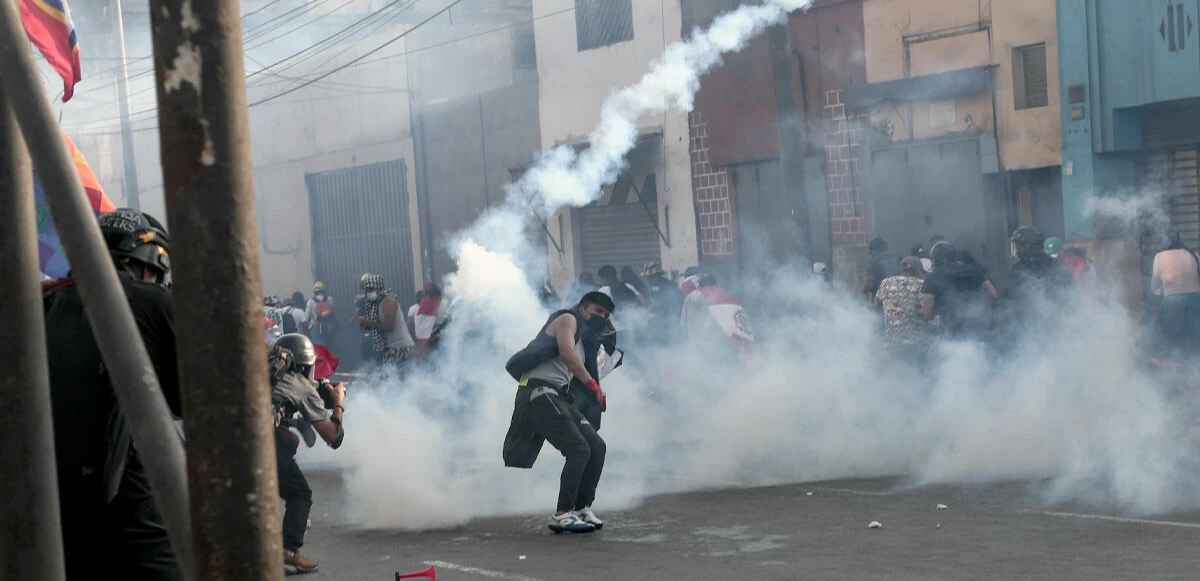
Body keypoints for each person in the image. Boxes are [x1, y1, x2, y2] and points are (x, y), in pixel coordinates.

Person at [44, 208, 183, 579]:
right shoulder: (150, 301)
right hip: (131, 496)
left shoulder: (46, 303)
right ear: (149, 264)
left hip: (52, 496)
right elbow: (182, 401)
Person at [502, 292, 614, 533]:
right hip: (539, 392)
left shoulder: (585, 340)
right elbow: (566, 353)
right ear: (583, 309)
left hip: (558, 396)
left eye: (605, 315)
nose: (601, 317)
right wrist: (592, 385)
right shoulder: (567, 319)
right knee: (578, 448)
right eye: (597, 311)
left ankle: (582, 507)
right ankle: (563, 513)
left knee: (596, 447)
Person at [268, 334, 346, 574]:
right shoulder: (299, 384)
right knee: (300, 493)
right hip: (266, 443)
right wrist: (338, 402)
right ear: (304, 366)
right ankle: (289, 554)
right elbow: (332, 436)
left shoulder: (263, 374)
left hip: (233, 440)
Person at [920, 241, 994, 340]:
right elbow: (993, 293)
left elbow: (928, 304)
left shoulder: (932, 276)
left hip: (951, 328)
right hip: (978, 323)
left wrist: (926, 316)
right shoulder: (972, 269)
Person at [1150, 231, 1200, 361]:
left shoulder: (1159, 257)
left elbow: (1155, 286)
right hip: (1196, 300)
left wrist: (1162, 292)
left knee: (1166, 339)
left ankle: (1171, 372)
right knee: (1194, 339)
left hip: (1173, 301)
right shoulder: (1194, 255)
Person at [875, 256, 932, 368]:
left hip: (893, 343)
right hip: (917, 343)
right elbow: (927, 310)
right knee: (917, 377)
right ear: (919, 270)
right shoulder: (921, 284)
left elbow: (876, 303)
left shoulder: (886, 283)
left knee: (901, 378)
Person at [1005, 226, 1075, 310]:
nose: (1015, 249)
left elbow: (1009, 298)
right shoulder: (1058, 264)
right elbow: (1072, 293)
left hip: (1028, 320)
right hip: (1058, 318)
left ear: (1027, 246)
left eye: (1017, 245)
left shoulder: (1019, 268)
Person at [357, 273, 414, 364]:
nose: (368, 292)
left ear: (379, 289)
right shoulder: (374, 304)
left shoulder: (388, 301)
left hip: (401, 348)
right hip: (390, 348)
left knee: (395, 376)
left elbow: (389, 326)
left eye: (371, 289)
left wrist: (367, 323)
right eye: (366, 290)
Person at [863, 237, 902, 302]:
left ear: (874, 251)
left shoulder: (874, 264)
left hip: (882, 301)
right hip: (900, 297)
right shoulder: (899, 259)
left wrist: (863, 291)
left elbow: (870, 284)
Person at [305, 282, 337, 346]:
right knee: (329, 346)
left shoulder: (311, 301)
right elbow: (333, 310)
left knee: (320, 348)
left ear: (315, 291)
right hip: (329, 327)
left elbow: (306, 317)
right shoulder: (329, 299)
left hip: (316, 327)